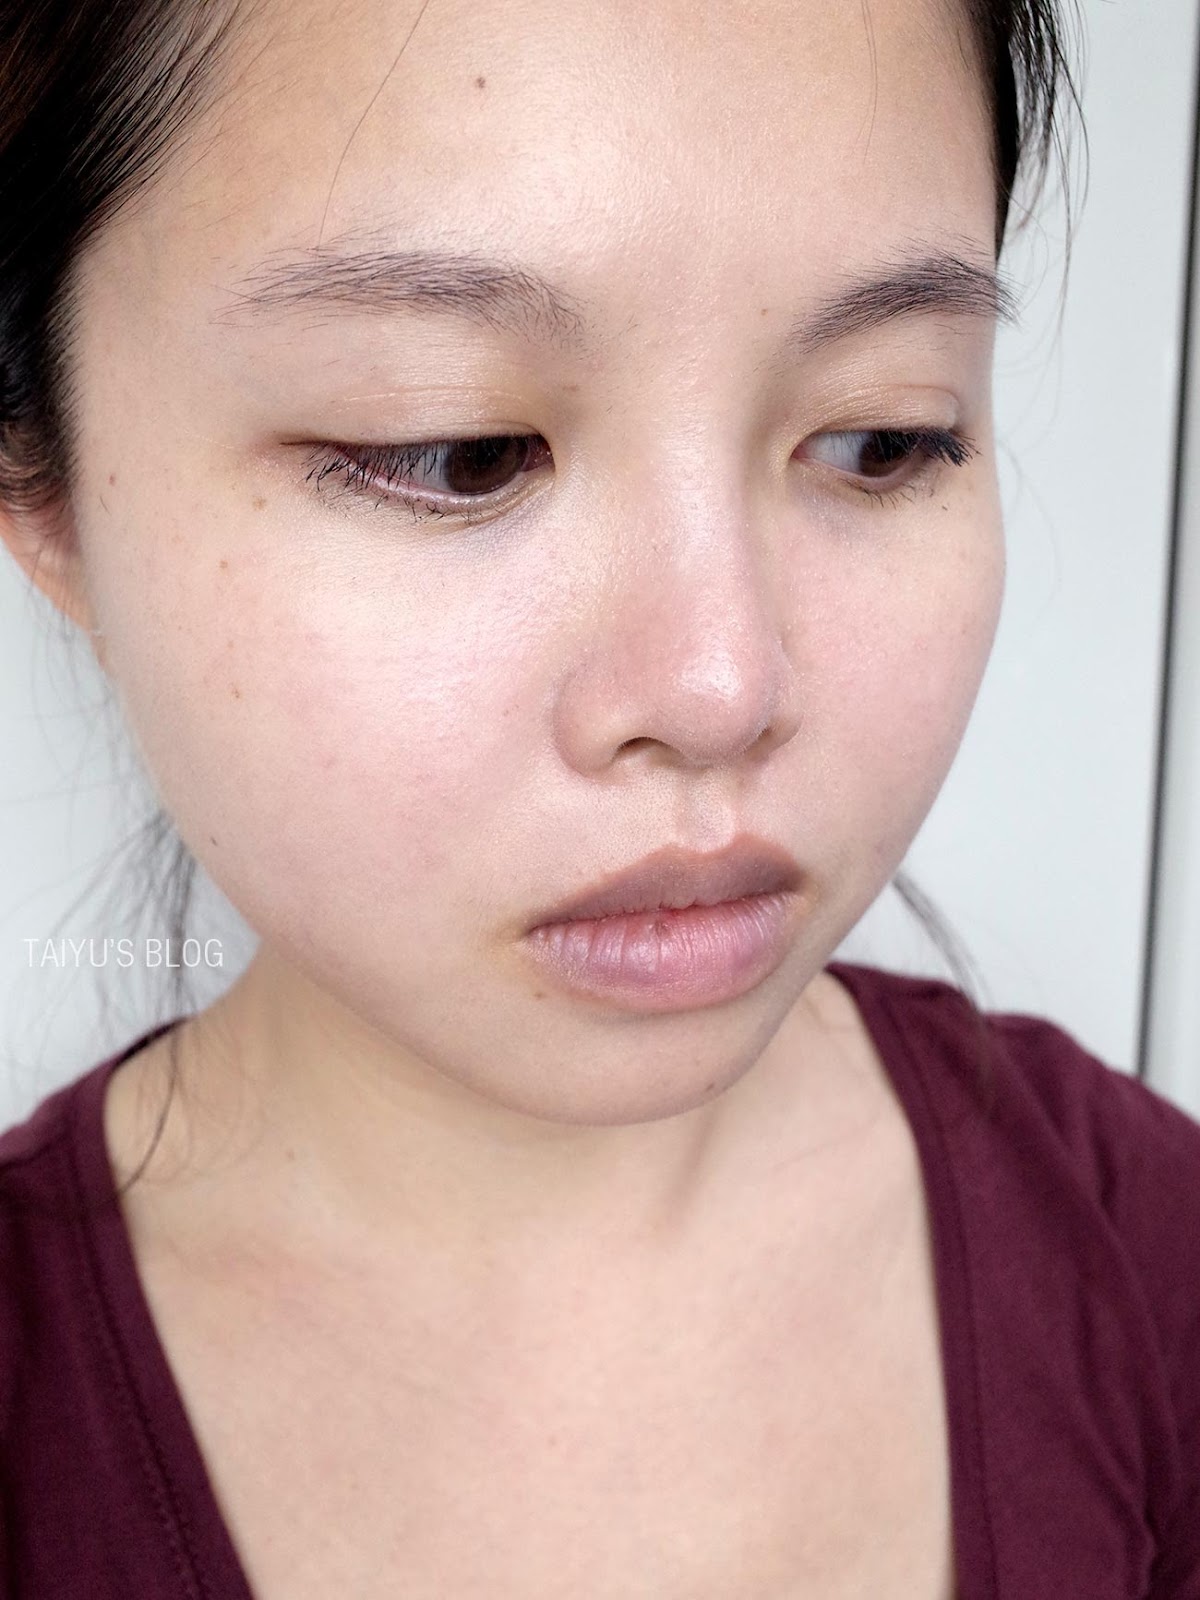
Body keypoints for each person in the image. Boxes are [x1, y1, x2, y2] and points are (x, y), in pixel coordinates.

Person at [1, 0, 1198, 1594]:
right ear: (43, 487)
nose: (722, 687)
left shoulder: (1149, 1257)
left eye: (881, 437)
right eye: (459, 451)